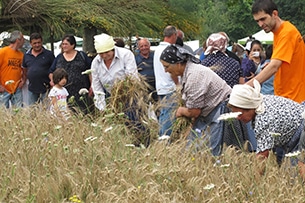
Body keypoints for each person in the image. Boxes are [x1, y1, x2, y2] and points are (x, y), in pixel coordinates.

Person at [160, 44, 232, 156]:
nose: (165, 71)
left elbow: (195, 111)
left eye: (167, 66)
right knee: (194, 147)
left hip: (221, 110)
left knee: (212, 151)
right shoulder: (188, 72)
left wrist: (181, 111)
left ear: (178, 64)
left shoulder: (194, 76)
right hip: (210, 110)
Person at [228, 79, 305, 176]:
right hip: (297, 128)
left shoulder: (263, 120)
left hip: (301, 134)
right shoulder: (260, 100)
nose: (237, 118)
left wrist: (253, 183)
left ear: (249, 108)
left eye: (239, 114)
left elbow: (262, 157)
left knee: (294, 178)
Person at [248, 0, 305, 103]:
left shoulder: (286, 33)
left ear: (274, 14)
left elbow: (274, 66)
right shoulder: (278, 33)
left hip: (294, 99)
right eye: (257, 21)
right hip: (286, 97)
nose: (260, 24)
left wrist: (247, 86)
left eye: (263, 19)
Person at [49, 34, 93, 114]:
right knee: (65, 112)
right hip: (63, 91)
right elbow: (51, 71)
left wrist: (92, 85)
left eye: (66, 44)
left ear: (73, 45)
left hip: (81, 91)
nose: (64, 46)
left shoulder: (82, 56)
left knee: (82, 112)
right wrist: (53, 82)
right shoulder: (59, 57)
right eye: (63, 44)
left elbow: (90, 71)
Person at [153, 25, 178, 137]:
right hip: (169, 86)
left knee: (163, 114)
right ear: (174, 35)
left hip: (160, 86)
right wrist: (178, 84)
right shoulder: (169, 49)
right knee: (169, 116)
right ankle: (165, 138)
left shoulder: (157, 49)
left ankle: (161, 136)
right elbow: (172, 70)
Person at [22, 33, 55, 105]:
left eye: (39, 42)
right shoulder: (26, 55)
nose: (37, 45)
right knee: (32, 112)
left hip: (46, 89)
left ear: (42, 42)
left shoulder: (49, 54)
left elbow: (54, 69)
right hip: (32, 88)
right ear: (31, 43)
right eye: (34, 43)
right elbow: (24, 69)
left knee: (47, 111)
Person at [0, 30, 25, 108]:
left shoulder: (21, 55)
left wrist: (23, 80)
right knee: (3, 113)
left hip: (16, 88)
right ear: (18, 40)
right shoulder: (3, 52)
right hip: (4, 88)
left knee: (18, 113)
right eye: (23, 39)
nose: (24, 41)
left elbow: (24, 69)